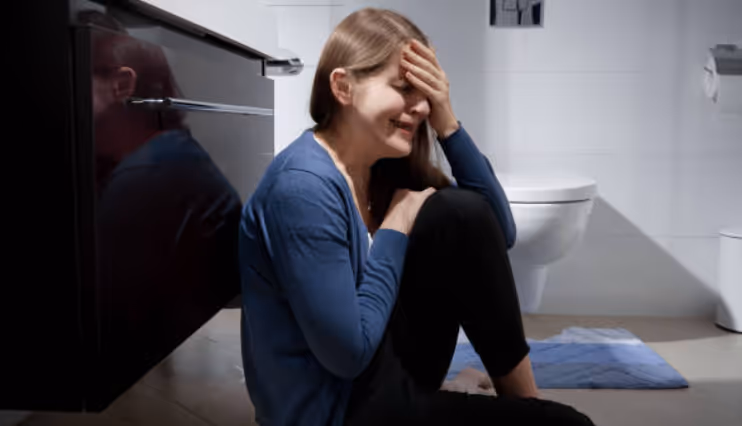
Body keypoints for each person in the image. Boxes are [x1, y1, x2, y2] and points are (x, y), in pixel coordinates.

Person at [238, 7, 594, 426]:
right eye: (405, 87)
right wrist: (395, 226)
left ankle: (523, 402)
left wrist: (447, 119)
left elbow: (496, 231)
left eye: (426, 92)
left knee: (457, 215)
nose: (421, 106)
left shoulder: (376, 168)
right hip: (333, 412)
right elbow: (348, 354)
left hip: (374, 383)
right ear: (343, 87)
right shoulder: (303, 188)